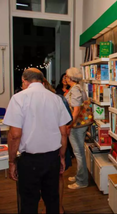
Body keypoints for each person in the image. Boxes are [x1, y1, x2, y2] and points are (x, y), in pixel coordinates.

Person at [3, 68, 71, 213]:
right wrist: (63, 157)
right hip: (52, 158)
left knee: (28, 202)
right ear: (41, 80)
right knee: (52, 200)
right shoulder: (56, 98)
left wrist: (12, 161)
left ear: (24, 81)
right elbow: (63, 132)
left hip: (29, 161)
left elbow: (14, 135)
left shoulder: (18, 98)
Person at [43, 78, 72, 214]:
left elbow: (66, 125)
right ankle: (53, 207)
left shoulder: (59, 99)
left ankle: (58, 206)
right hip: (55, 143)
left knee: (58, 176)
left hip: (59, 143)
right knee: (54, 177)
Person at [65, 67, 89, 189]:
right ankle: (80, 175)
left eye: (66, 76)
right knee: (79, 152)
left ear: (69, 78)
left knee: (78, 153)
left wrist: (70, 124)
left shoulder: (74, 90)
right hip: (80, 124)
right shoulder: (79, 88)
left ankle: (82, 181)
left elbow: (76, 110)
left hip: (76, 125)